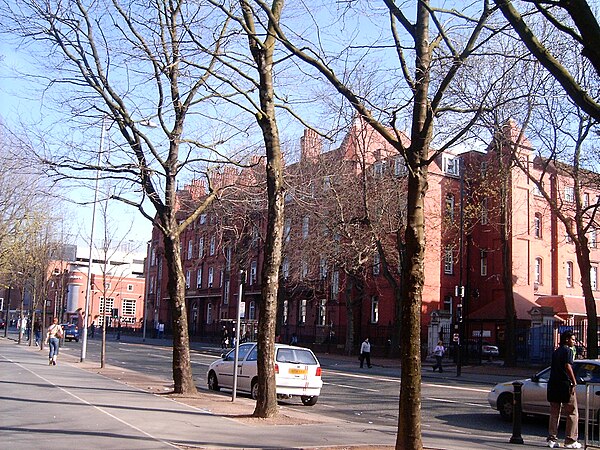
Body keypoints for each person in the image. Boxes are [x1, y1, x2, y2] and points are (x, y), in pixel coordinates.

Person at [547, 330, 581, 449]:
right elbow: (568, 366)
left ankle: (552, 438)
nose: (574, 342)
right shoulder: (568, 351)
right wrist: (574, 381)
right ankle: (570, 440)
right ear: (566, 339)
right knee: (572, 412)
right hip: (565, 385)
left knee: (554, 412)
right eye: (572, 339)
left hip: (553, 384)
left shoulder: (556, 352)